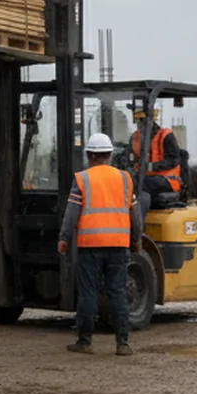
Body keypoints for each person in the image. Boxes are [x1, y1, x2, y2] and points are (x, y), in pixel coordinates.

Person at [58, 132, 142, 356]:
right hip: (118, 244)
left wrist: (64, 238)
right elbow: (135, 214)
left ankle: (85, 342)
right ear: (110, 155)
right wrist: (136, 239)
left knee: (88, 293)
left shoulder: (82, 179)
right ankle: (122, 343)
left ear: (90, 155)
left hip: (90, 245)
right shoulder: (125, 179)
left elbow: (71, 212)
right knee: (117, 292)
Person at [130, 109, 181, 211]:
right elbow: (130, 159)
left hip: (168, 180)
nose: (141, 125)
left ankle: (138, 219)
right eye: (139, 121)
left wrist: (152, 166)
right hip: (147, 178)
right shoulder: (135, 138)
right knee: (130, 181)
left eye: (143, 121)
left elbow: (174, 160)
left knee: (140, 183)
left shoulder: (166, 136)